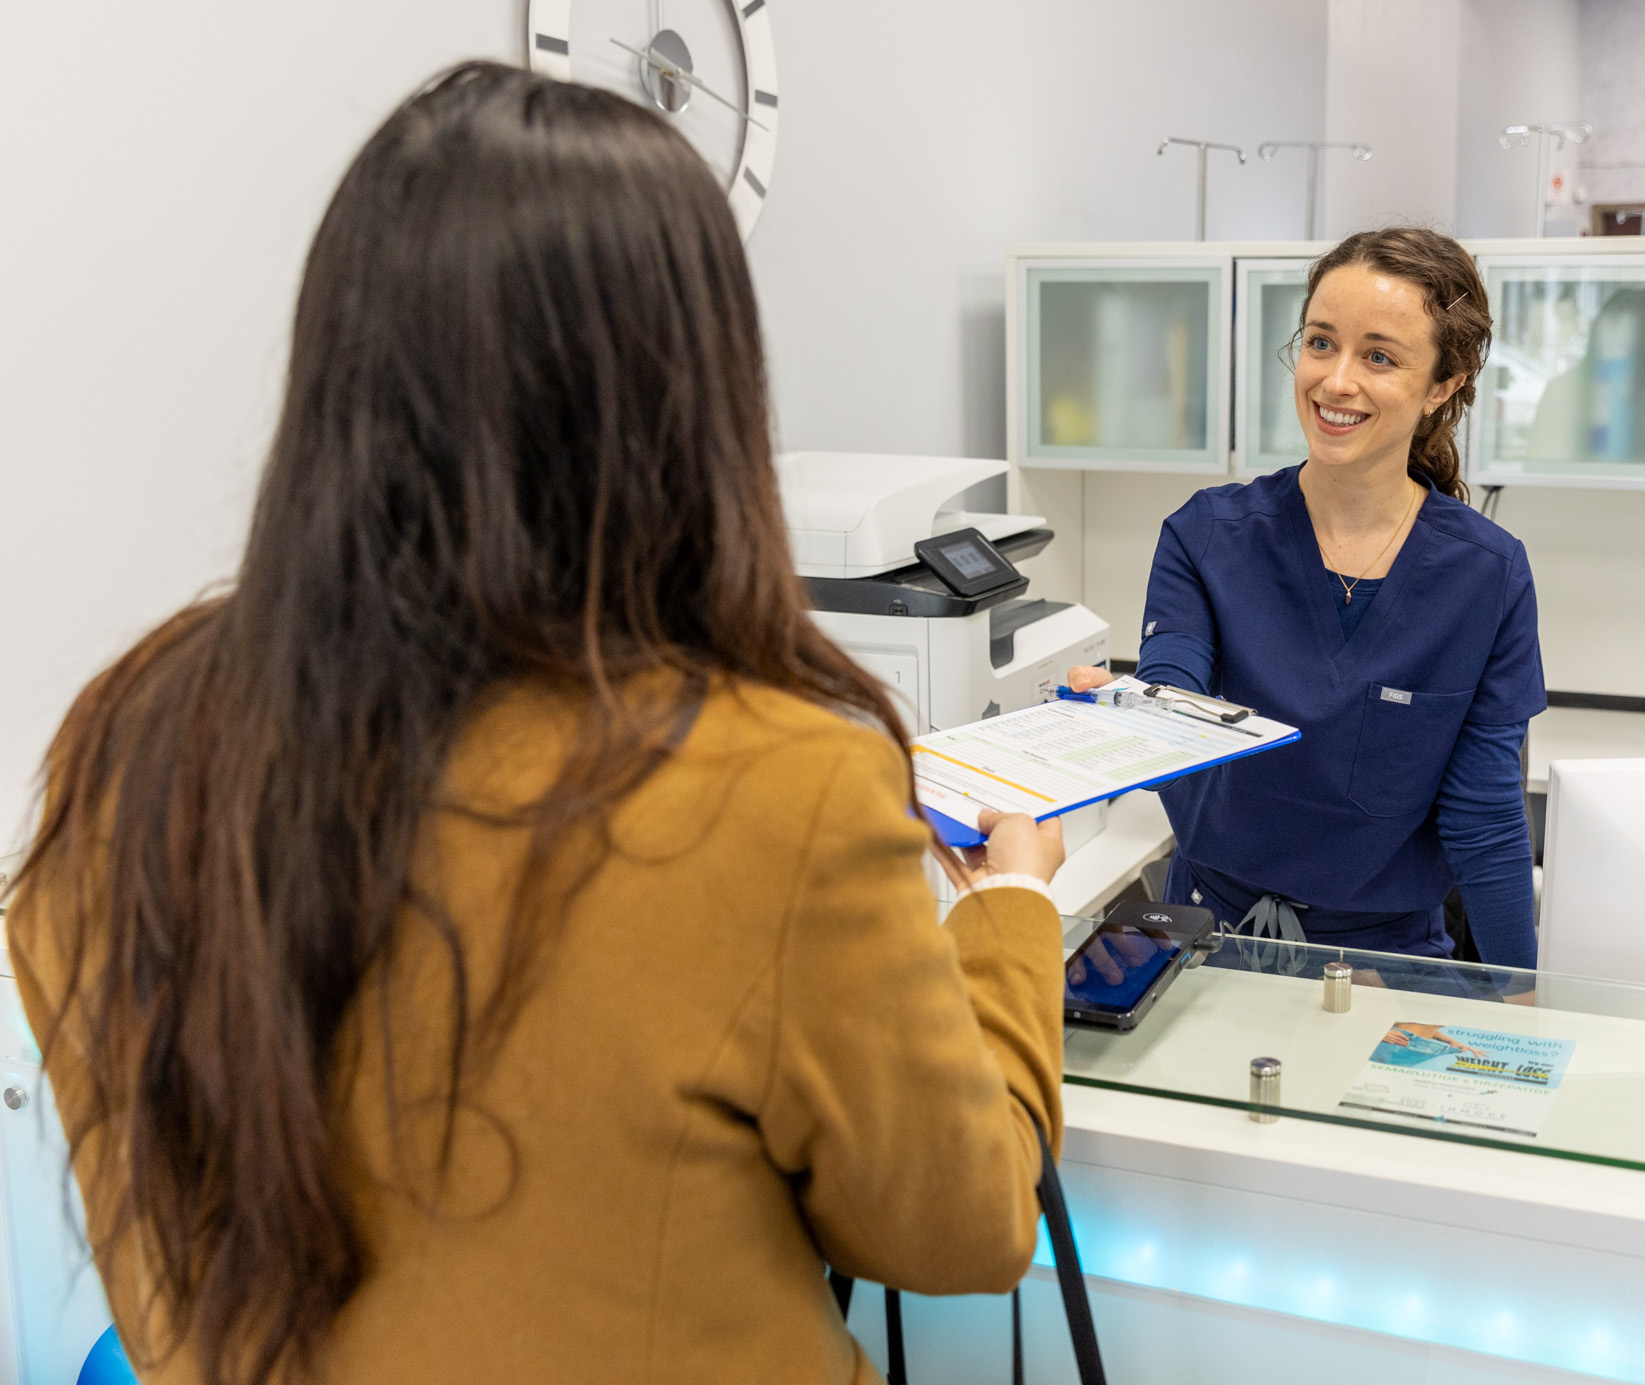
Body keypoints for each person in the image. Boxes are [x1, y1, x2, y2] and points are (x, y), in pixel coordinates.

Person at [7, 62, 1067, 1385]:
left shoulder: (132, 739)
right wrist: (1010, 916)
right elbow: (963, 1227)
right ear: (691, 395)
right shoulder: (779, 785)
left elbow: (157, 1243)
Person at [1070, 228, 1545, 977]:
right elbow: (1174, 687)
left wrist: (1524, 997)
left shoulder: (1487, 576)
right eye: (1321, 343)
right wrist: (1136, 708)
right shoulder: (1208, 536)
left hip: (1385, 961)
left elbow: (1483, 819)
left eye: (1379, 356)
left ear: (1444, 385)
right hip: (1207, 942)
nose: (1336, 380)